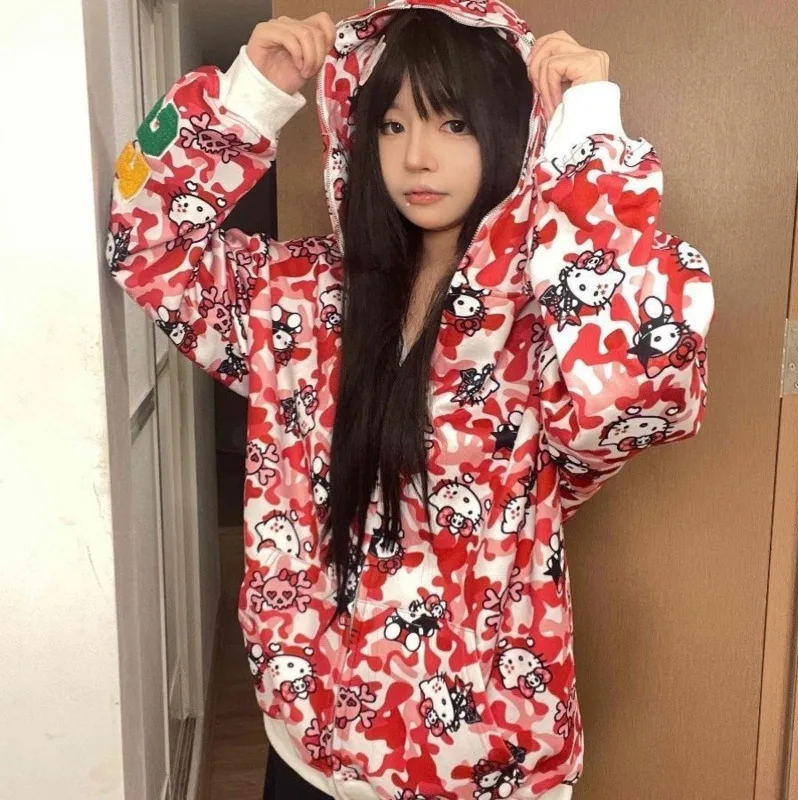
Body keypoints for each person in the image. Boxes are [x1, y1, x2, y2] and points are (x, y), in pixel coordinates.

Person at [106, 1, 715, 798]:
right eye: (392, 126)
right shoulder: (305, 298)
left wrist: (590, 141)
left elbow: (639, 386)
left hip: (483, 771)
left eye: (453, 123)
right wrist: (248, 97)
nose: (417, 157)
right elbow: (148, 244)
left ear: (508, 128)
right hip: (310, 751)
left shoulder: (545, 320)